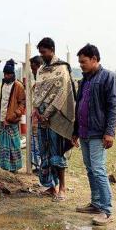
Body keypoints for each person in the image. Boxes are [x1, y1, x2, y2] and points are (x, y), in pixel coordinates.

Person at [73, 44, 116, 226]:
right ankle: (96, 203)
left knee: (99, 170)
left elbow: (114, 107)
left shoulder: (108, 77)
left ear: (94, 59)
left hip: (97, 133)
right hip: (84, 132)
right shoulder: (84, 79)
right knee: (90, 169)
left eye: (83, 62)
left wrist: (110, 132)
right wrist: (75, 131)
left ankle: (107, 211)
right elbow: (80, 106)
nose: (81, 65)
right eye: (79, 62)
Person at [33, 37, 75, 201]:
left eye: (44, 52)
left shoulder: (62, 69)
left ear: (51, 49)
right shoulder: (41, 70)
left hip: (56, 117)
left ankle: (62, 188)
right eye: (40, 53)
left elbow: (62, 94)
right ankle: (51, 186)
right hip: (42, 117)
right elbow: (37, 91)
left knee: (57, 152)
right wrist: (36, 109)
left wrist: (47, 113)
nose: (42, 56)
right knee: (45, 152)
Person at [0, 59, 26, 173]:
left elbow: (22, 103)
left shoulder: (18, 85)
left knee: (13, 143)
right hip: (2, 118)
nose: (6, 76)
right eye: (5, 74)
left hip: (11, 119)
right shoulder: (3, 84)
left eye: (8, 74)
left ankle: (14, 167)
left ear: (13, 74)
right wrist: (1, 117)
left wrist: (13, 116)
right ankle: (4, 165)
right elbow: (3, 101)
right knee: (3, 143)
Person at [29, 56, 43, 171]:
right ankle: (36, 165)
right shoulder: (35, 83)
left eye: (33, 69)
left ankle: (40, 166)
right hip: (34, 118)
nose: (33, 72)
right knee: (34, 143)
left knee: (39, 144)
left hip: (41, 119)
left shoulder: (43, 83)